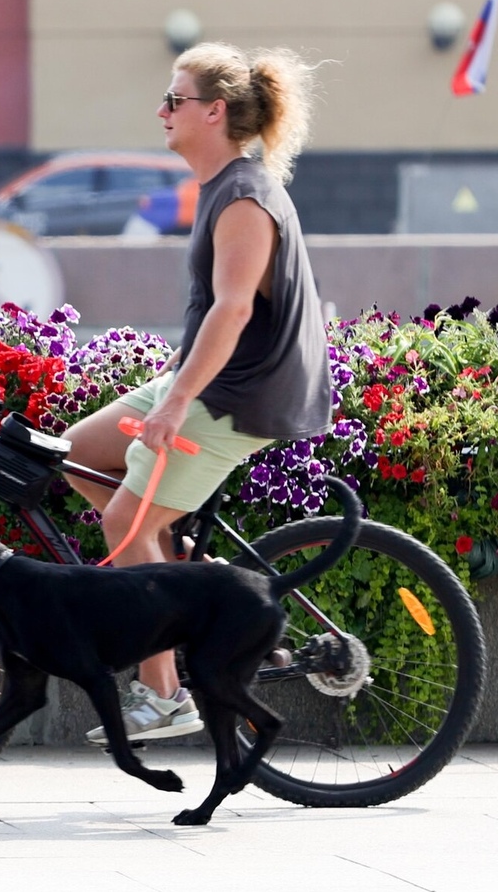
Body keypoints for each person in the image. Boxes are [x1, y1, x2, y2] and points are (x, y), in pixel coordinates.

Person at [62, 42, 334, 743]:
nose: (161, 111)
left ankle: (164, 698)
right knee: (74, 455)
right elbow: (217, 311)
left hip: (243, 396)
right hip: (216, 379)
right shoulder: (222, 186)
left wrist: (176, 401)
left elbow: (234, 310)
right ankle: (184, 572)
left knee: (123, 523)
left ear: (213, 112)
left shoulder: (244, 196)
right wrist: (171, 381)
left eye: (174, 100)